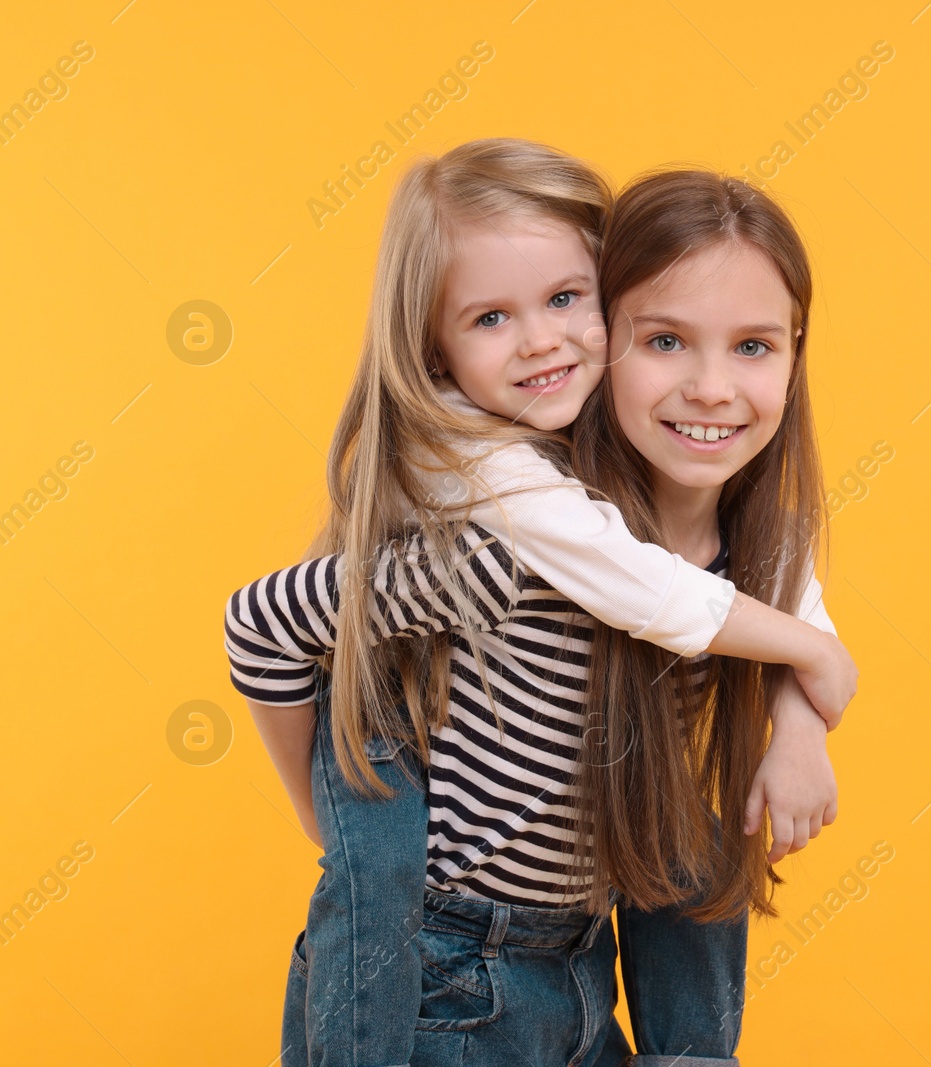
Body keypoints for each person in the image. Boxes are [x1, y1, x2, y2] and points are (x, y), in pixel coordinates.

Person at [223, 140, 849, 1065]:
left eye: (753, 346)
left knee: (695, 840)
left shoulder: (759, 536)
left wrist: (800, 725)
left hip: (581, 967)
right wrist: (334, 829)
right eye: (666, 339)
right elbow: (264, 621)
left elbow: (799, 613)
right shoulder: (499, 536)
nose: (711, 387)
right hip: (449, 972)